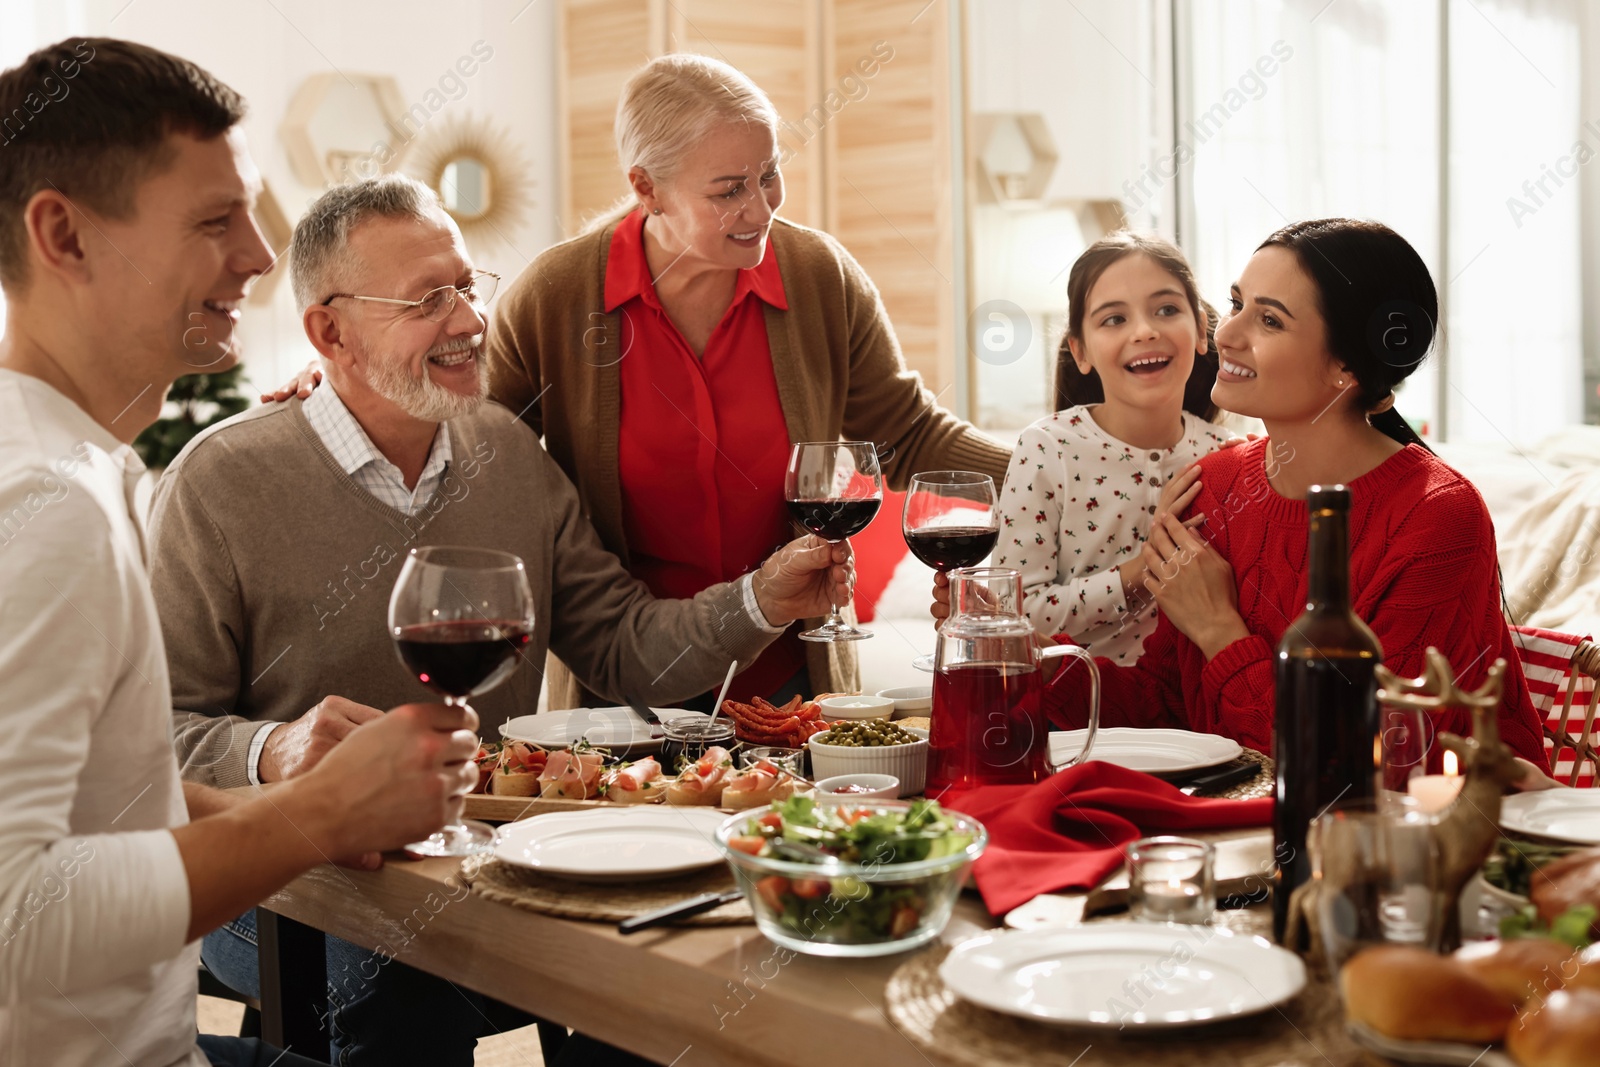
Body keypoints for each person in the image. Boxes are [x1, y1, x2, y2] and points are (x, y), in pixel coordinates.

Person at [150, 173, 851, 1065]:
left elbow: (624, 648)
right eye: (426, 299)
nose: (468, 320)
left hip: (488, 862)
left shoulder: (511, 455)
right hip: (288, 884)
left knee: (653, 965)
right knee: (400, 993)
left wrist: (763, 597)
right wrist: (273, 750)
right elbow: (149, 744)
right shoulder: (218, 484)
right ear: (330, 331)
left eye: (467, 286)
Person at [0, 38, 479, 1067]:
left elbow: (109, 791)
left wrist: (291, 807)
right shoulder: (44, 505)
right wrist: (310, 813)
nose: (260, 255)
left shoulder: (78, 465)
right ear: (64, 235)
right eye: (216, 220)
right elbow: (16, 924)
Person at [271, 53, 1012, 710]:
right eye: (728, 190)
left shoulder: (818, 275)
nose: (760, 207)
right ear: (646, 188)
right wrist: (349, 381)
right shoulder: (560, 296)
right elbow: (464, 433)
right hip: (621, 690)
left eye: (770, 174)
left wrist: (1065, 468)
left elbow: (910, 430)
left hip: (794, 676)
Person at [934, 219, 1550, 770]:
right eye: (1235, 304)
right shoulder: (1219, 482)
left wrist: (1221, 632)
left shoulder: (1437, 517)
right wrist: (1010, 656)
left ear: (1347, 368)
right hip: (1243, 835)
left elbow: (1380, 766)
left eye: (1270, 319)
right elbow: (1164, 703)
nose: (1226, 333)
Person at [994, 232, 1234, 664]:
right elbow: (1014, 617)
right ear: (1080, 350)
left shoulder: (1228, 455)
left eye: (1166, 309)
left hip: (1198, 721)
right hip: (1073, 718)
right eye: (1113, 319)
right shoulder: (1046, 450)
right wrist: (1142, 569)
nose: (1144, 330)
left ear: (1201, 330)